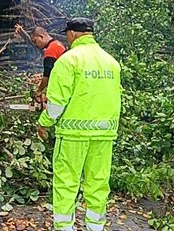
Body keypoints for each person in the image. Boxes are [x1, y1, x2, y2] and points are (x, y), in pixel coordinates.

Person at [37, 17, 121, 231]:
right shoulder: (111, 62)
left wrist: (44, 122)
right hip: (104, 135)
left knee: (66, 183)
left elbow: (56, 104)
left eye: (67, 34)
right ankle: (96, 227)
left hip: (73, 136)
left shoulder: (68, 60)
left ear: (72, 34)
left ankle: (65, 228)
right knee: (98, 184)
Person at [28, 26, 66, 106]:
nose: (35, 45)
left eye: (35, 41)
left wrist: (39, 90)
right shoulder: (59, 44)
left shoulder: (51, 50)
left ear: (41, 36)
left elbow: (47, 75)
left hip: (60, 88)